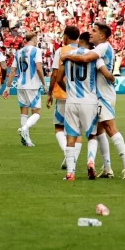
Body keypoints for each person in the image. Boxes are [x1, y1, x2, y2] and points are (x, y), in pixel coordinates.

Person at [63, 23, 125, 180]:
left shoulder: (102, 48)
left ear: (102, 36)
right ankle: (108, 168)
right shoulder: (100, 49)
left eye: (94, 31)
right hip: (97, 96)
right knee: (100, 132)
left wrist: (68, 56)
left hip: (104, 95)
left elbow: (86, 58)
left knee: (110, 129)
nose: (91, 33)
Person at [58, 32, 116, 181]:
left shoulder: (68, 55)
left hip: (71, 101)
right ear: (89, 43)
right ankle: (90, 162)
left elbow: (58, 79)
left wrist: (69, 92)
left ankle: (70, 173)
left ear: (79, 41)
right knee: (92, 135)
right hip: (89, 101)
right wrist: (112, 79)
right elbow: (106, 74)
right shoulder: (93, 56)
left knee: (71, 137)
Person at [47, 26, 83, 170]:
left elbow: (55, 74)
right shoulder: (84, 51)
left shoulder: (61, 51)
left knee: (59, 127)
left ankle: (68, 155)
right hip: (80, 95)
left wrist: (49, 93)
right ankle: (72, 157)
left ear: (66, 37)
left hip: (63, 94)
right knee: (77, 130)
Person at [3, 33, 46, 147]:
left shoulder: (18, 52)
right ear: (34, 39)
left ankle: (26, 140)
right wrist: (43, 83)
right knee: (37, 113)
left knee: (24, 112)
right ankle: (24, 128)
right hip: (32, 85)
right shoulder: (36, 51)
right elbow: (38, 68)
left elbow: (12, 71)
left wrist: (7, 87)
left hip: (20, 85)